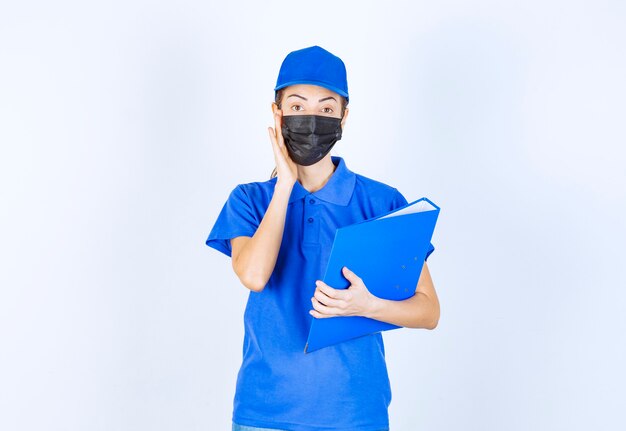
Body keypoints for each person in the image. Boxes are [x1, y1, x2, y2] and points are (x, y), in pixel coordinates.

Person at [205, 45, 440, 431]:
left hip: (354, 412)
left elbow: (428, 311)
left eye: (326, 109)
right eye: (297, 107)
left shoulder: (382, 202)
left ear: (344, 117)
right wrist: (284, 185)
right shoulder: (250, 199)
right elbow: (254, 276)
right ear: (277, 113)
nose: (311, 118)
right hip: (265, 413)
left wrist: (367, 305)